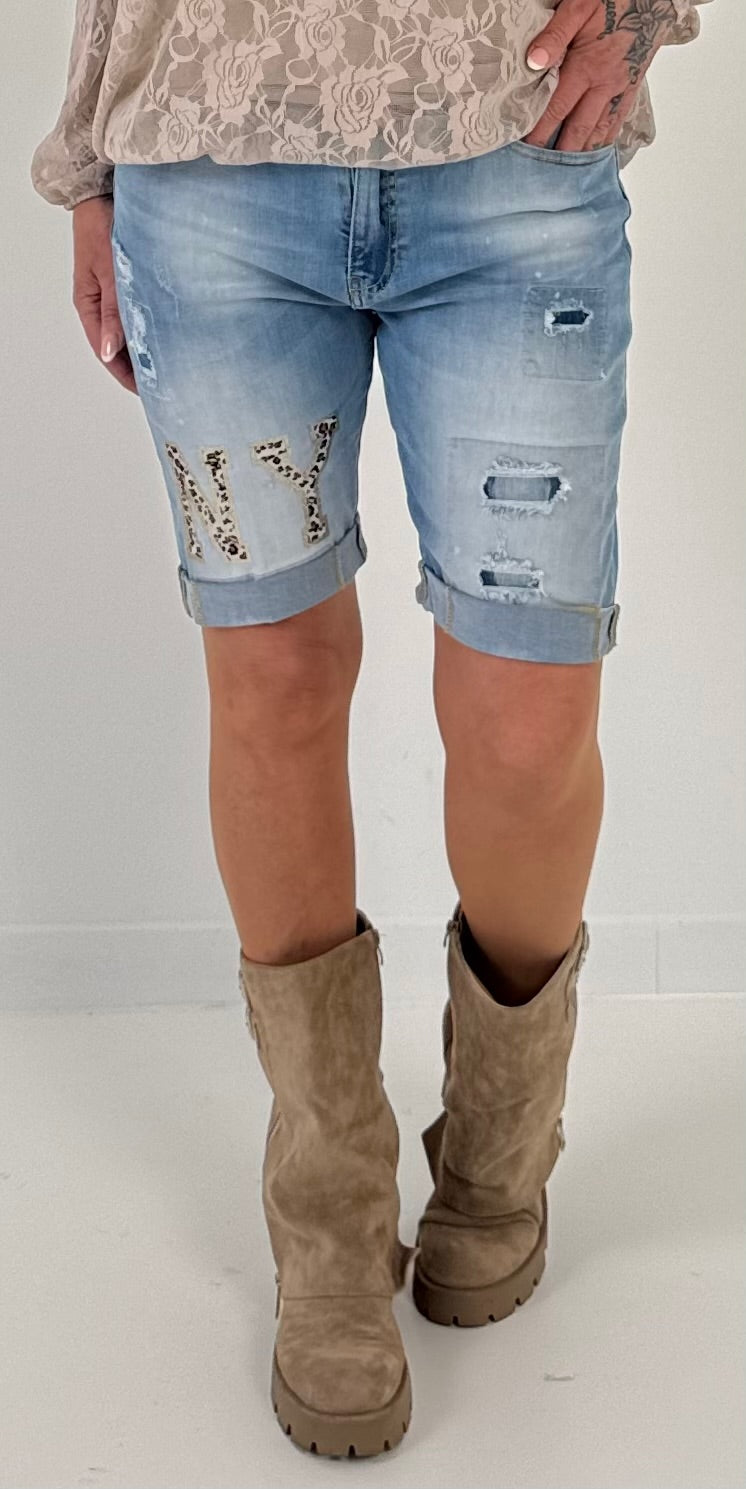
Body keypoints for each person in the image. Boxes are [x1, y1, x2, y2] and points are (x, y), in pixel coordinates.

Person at [31, 0, 710, 1461]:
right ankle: (329, 1214)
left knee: (528, 717)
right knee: (273, 684)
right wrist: (90, 152)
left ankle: (499, 1149)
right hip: (207, 161)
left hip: (512, 145)